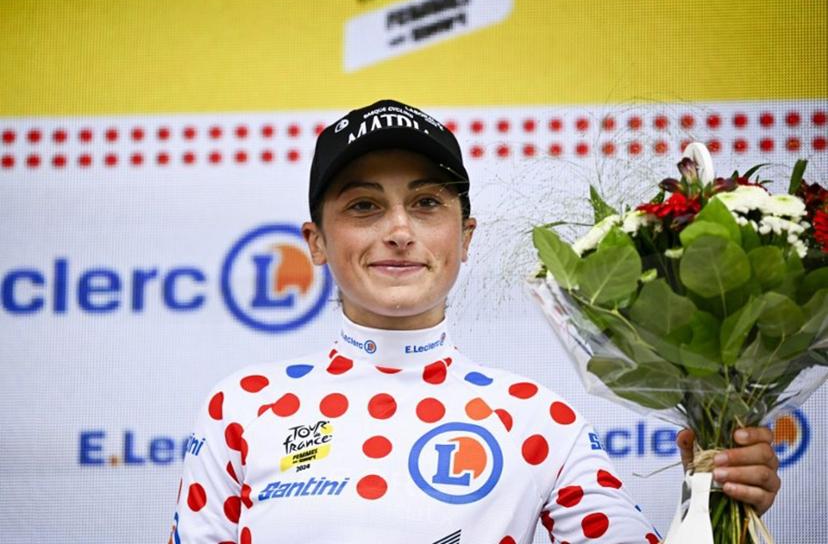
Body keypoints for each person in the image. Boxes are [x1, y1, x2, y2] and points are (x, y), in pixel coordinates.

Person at [170, 99, 780, 543]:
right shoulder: (243, 408)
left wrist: (716, 498)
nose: (400, 230)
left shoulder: (540, 418)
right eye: (363, 205)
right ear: (317, 242)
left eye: (427, 202)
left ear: (464, 237)